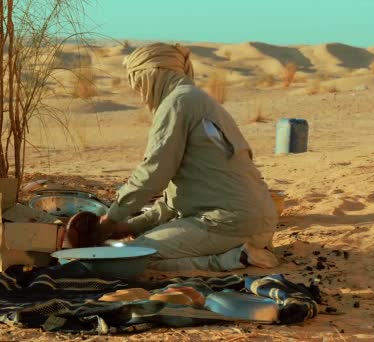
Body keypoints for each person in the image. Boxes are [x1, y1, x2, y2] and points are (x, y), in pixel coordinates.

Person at [93, 43, 279, 272]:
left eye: (138, 82)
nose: (139, 92)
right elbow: (173, 200)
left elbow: (152, 174)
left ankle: (232, 259)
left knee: (135, 258)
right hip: (261, 222)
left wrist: (111, 219)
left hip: (228, 223)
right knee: (145, 240)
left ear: (152, 75)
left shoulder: (177, 104)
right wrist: (130, 226)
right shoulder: (200, 101)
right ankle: (239, 249)